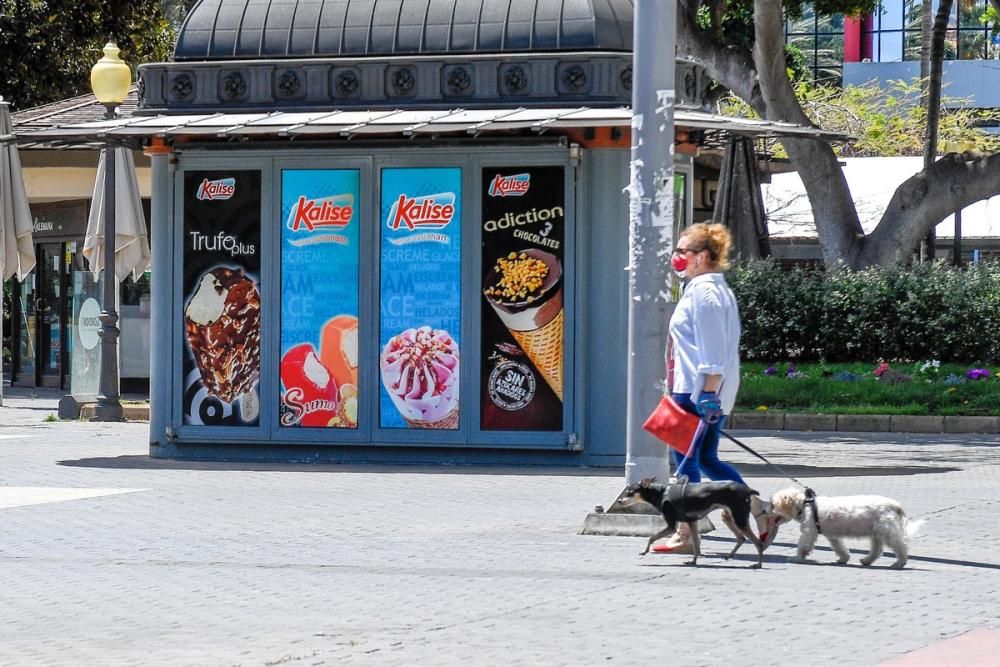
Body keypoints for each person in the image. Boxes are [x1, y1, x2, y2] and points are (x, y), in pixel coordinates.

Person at [656, 222, 746, 553]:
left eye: (683, 252)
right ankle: (756, 512)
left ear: (703, 256)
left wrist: (707, 393)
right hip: (702, 390)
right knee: (707, 458)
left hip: (696, 391)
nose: (677, 258)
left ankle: (685, 533)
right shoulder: (707, 289)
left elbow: (711, 350)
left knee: (686, 461)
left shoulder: (706, 294)